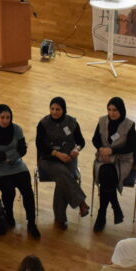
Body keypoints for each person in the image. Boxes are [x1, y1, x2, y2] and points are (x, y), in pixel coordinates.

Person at [0, 104, 38, 238]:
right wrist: (11, 153)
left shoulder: (17, 129)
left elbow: (23, 150)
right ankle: (9, 215)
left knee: (27, 190)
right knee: (9, 190)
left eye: (8, 117)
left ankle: (31, 222)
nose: (5, 120)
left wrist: (7, 156)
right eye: (2, 117)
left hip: (17, 165)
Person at [35, 96, 89, 228]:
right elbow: (40, 145)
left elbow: (81, 142)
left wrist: (76, 149)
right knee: (64, 174)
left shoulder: (72, 122)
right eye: (52, 108)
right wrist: (58, 154)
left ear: (63, 110)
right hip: (49, 160)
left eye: (57, 109)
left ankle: (60, 218)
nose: (54, 112)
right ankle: (81, 203)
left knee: (63, 179)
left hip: (69, 159)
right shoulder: (43, 123)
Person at [91, 96, 136, 231]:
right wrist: (101, 149)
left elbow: (131, 147)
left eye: (115, 110)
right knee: (107, 174)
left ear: (121, 110)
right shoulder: (102, 120)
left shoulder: (129, 124)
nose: (111, 113)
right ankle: (114, 207)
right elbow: (95, 139)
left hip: (122, 159)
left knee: (107, 175)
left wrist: (111, 150)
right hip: (104, 157)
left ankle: (102, 214)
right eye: (109, 110)